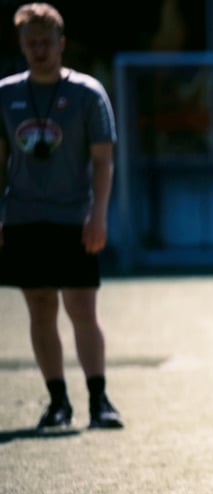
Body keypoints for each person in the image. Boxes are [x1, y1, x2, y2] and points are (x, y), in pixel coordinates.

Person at [0, 2, 121, 430]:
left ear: (61, 43)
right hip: (23, 218)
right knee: (39, 307)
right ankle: (57, 402)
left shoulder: (88, 94)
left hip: (74, 218)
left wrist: (98, 215)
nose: (39, 50)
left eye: (46, 42)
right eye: (31, 43)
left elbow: (103, 161)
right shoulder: (6, 94)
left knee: (82, 307)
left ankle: (99, 400)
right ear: (21, 45)